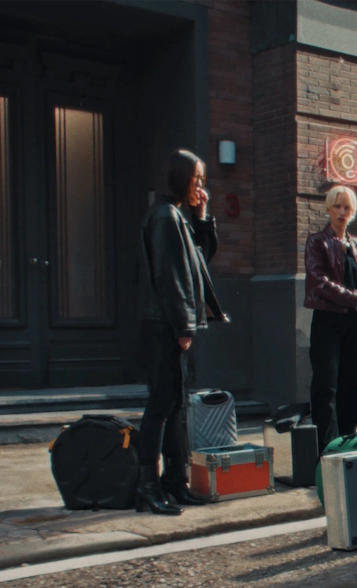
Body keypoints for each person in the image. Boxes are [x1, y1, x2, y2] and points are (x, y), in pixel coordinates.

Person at [135, 149, 227, 515]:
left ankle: (175, 482)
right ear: (179, 178)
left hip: (169, 324)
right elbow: (170, 278)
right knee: (161, 405)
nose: (201, 186)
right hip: (164, 326)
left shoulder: (175, 215)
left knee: (174, 407)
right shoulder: (164, 217)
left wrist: (201, 217)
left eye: (203, 179)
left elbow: (198, 263)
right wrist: (184, 326)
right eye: (196, 178)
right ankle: (148, 486)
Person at [305, 185, 357, 449]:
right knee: (326, 387)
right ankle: (326, 450)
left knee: (353, 385)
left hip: (356, 322)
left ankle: (348, 445)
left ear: (353, 211)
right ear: (329, 209)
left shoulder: (356, 244)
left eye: (347, 207)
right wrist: (355, 298)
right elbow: (318, 282)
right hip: (328, 320)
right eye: (337, 206)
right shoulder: (317, 241)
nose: (342, 212)